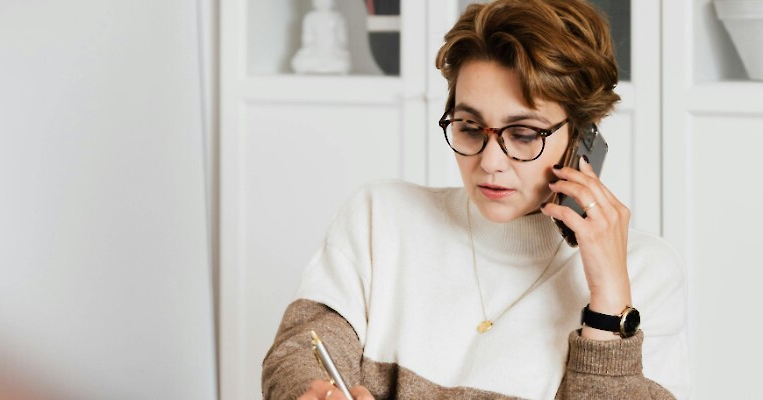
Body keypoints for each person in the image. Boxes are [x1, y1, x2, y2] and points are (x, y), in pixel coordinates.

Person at [263, 0, 690, 398]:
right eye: (469, 126)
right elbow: (302, 349)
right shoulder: (381, 218)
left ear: (583, 136)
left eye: (523, 134)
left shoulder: (643, 272)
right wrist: (311, 389)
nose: (490, 162)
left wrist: (608, 304)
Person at [291, 0, 352, 75]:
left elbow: (342, 40)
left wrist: (337, 50)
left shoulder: (337, 18)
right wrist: (309, 50)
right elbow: (307, 41)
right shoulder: (310, 18)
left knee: (343, 64)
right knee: (298, 63)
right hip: (314, 53)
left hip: (332, 54)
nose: (323, 2)